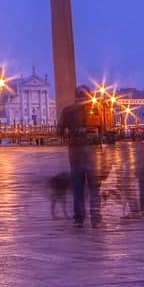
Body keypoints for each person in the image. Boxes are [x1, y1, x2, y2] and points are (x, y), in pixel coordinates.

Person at [57, 87, 100, 226]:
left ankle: (79, 219)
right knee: (94, 186)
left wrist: (71, 134)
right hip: (92, 152)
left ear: (75, 96)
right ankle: (96, 218)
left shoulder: (67, 111)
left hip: (75, 152)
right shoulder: (96, 109)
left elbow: (59, 132)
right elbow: (104, 130)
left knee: (77, 186)